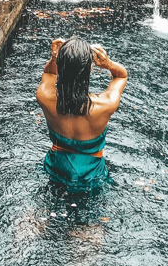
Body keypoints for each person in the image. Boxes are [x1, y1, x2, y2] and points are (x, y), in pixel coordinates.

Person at [36, 37, 129, 191]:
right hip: (91, 175)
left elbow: (49, 73)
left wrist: (54, 59)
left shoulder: (44, 97)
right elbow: (121, 76)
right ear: (90, 69)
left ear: (60, 66)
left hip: (56, 170)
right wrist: (108, 64)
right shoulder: (105, 104)